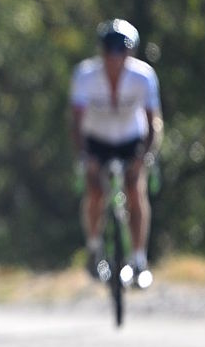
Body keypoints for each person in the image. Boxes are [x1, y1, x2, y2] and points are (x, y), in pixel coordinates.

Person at [70, 19, 163, 284]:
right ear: (101, 51)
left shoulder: (143, 77)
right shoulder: (85, 76)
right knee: (95, 192)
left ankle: (138, 260)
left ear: (130, 52)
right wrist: (84, 156)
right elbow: (76, 123)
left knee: (135, 190)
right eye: (108, 50)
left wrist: (145, 156)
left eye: (120, 50)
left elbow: (154, 121)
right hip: (96, 139)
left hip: (131, 139)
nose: (114, 57)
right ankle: (94, 247)